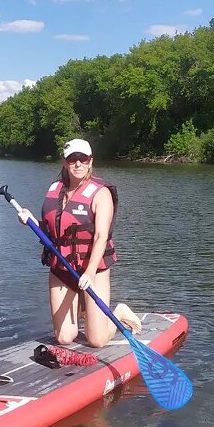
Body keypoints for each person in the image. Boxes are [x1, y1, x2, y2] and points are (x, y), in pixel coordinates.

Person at [19, 138, 142, 348]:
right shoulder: (55, 189)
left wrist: (90, 272)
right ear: (64, 161)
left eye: (83, 159)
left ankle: (118, 313)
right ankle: (84, 310)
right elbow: (51, 231)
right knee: (64, 338)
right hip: (62, 268)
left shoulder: (100, 193)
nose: (78, 164)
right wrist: (31, 221)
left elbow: (101, 236)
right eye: (72, 159)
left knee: (97, 341)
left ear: (90, 161)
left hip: (91, 269)